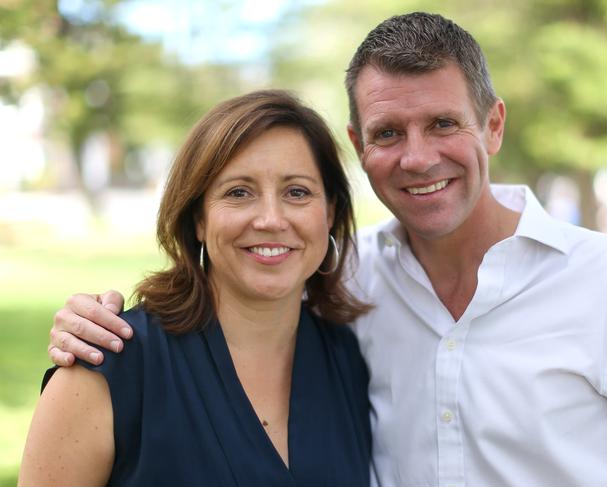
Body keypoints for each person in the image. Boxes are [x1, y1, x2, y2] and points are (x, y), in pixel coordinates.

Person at [45, 12, 607, 487]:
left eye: (443, 123)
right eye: (389, 133)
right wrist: (87, 322)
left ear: (493, 125)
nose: (417, 157)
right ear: (360, 146)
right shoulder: (354, 287)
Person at [20, 90, 372, 486]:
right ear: (198, 219)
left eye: (297, 192)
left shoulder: (348, 359)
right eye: (239, 192)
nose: (271, 219)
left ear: (330, 213)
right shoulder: (109, 366)